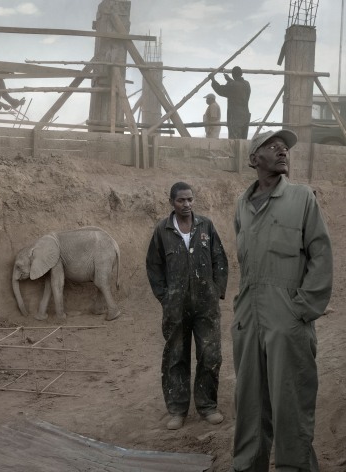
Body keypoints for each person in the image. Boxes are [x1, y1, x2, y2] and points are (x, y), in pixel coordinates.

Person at [230, 129, 333, 472]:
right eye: (272, 146)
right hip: (248, 316)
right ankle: (248, 465)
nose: (282, 151)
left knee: (290, 400)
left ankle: (295, 467)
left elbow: (321, 255)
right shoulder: (242, 205)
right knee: (249, 401)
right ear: (253, 158)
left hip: (287, 317)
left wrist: (302, 309)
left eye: (284, 147)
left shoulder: (302, 198)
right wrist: (241, 308)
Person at [146, 181, 228, 430]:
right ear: (172, 202)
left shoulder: (206, 226)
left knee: (209, 355)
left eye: (190, 199)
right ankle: (177, 410)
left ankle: (207, 406)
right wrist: (165, 297)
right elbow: (153, 266)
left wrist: (216, 292)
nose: (187, 204)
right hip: (176, 308)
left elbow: (219, 259)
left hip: (206, 306)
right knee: (175, 357)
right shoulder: (162, 230)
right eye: (181, 200)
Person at [209, 66, 250, 139]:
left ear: (233, 75)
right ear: (241, 74)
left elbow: (220, 90)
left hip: (235, 117)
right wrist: (229, 79)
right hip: (245, 116)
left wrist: (213, 80)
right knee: (243, 141)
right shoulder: (246, 84)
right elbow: (237, 85)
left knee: (234, 141)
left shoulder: (233, 85)